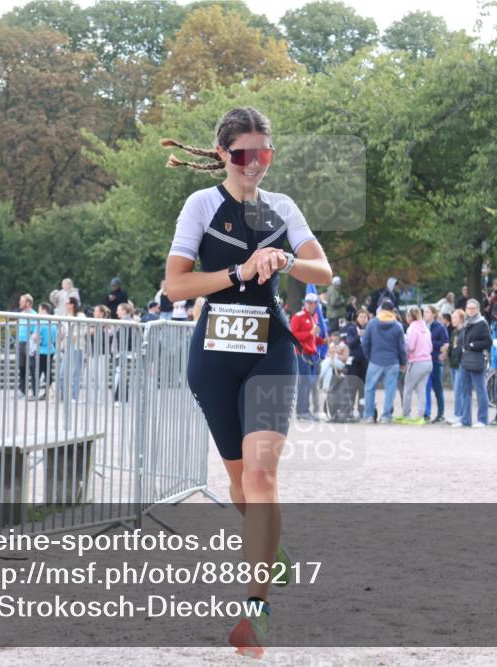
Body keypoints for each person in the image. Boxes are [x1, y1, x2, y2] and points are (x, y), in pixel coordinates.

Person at [161, 106, 332, 657]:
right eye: (242, 155)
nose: (253, 164)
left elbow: (323, 273)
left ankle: (253, 612)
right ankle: (270, 544)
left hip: (271, 350)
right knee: (238, 485)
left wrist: (283, 262)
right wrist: (238, 271)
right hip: (213, 354)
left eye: (263, 153)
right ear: (222, 156)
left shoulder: (282, 209)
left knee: (260, 477)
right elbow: (176, 287)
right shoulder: (202, 205)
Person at [361, 300, 406, 424]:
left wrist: (369, 357)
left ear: (381, 309)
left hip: (375, 360)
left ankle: (369, 416)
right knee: (390, 390)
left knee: (369, 388)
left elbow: (365, 343)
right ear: (392, 311)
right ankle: (386, 416)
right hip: (393, 362)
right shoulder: (397, 326)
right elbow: (402, 348)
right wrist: (403, 363)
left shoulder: (372, 323)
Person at [454, 299, 492, 428]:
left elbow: (488, 342)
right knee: (465, 390)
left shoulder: (482, 323)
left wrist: (473, 345)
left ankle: (483, 419)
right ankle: (465, 419)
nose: (470, 310)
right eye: (468, 308)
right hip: (465, 359)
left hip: (476, 359)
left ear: (478, 309)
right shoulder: (466, 323)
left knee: (480, 390)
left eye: (473, 308)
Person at [395, 307, 432, 424]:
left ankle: (406, 415)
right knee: (421, 390)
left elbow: (410, 347)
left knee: (408, 389)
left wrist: (404, 341)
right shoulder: (425, 327)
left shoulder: (412, 328)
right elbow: (430, 347)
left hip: (416, 362)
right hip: (428, 362)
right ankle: (421, 416)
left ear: (411, 317)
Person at [291, 292, 324, 421]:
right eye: (307, 302)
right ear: (304, 303)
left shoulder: (315, 317)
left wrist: (322, 341)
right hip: (301, 354)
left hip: (312, 354)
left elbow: (313, 338)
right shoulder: (298, 316)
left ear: (316, 304)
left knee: (311, 383)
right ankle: (302, 412)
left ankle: (306, 411)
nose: (310, 305)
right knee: (304, 383)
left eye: (312, 303)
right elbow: (293, 335)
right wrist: (309, 333)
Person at [57, 297, 87, 402]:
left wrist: (74, 335)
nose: (65, 305)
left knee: (75, 372)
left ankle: (74, 396)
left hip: (77, 346)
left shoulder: (80, 315)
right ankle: (64, 395)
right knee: (61, 374)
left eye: (67, 303)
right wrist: (60, 335)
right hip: (66, 347)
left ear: (72, 305)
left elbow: (84, 329)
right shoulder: (64, 316)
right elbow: (61, 331)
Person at [423, 304, 449, 423]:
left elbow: (445, 342)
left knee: (438, 389)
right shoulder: (422, 326)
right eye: (424, 312)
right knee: (425, 388)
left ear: (433, 314)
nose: (425, 314)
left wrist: (431, 344)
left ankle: (440, 414)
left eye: (427, 312)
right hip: (424, 361)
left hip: (436, 361)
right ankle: (426, 413)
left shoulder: (440, 327)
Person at [344, 308, 370, 415]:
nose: (363, 319)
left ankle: (362, 409)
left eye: (365, 317)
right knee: (352, 386)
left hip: (365, 362)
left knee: (363, 387)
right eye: (361, 317)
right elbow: (349, 343)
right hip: (354, 362)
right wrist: (358, 335)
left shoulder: (370, 329)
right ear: (357, 318)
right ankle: (349, 409)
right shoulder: (352, 329)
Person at [447, 310, 465, 424]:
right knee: (456, 390)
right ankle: (457, 413)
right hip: (453, 364)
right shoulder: (454, 332)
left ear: (461, 319)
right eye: (452, 317)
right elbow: (452, 346)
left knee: (459, 390)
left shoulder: (464, 332)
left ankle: (459, 414)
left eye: (455, 317)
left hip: (460, 364)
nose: (452, 319)